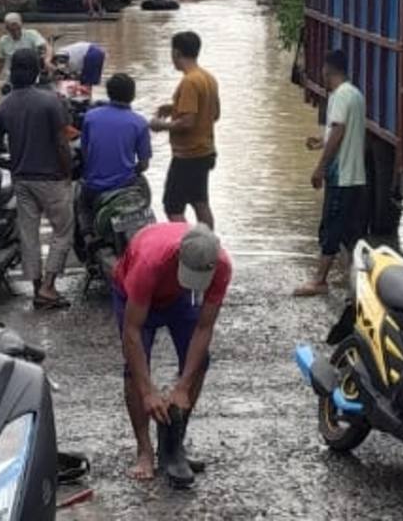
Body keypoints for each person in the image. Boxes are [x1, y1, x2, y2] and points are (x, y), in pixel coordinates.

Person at [115, 222, 231, 484]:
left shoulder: (222, 266)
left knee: (201, 362)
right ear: (179, 255)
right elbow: (131, 331)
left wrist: (183, 386)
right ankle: (144, 452)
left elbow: (204, 327)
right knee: (134, 369)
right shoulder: (150, 262)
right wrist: (148, 392)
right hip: (132, 293)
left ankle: (173, 445)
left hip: (178, 297)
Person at [0, 48, 74, 310]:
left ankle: (38, 288)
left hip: (21, 178)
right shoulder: (51, 101)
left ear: (12, 72)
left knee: (29, 235)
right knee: (63, 230)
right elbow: (62, 142)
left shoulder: (3, 105)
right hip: (50, 178)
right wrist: (67, 171)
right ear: (38, 72)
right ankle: (49, 287)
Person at [294, 49, 367, 297]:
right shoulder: (355, 94)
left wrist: (320, 167)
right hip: (356, 176)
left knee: (331, 228)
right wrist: (320, 141)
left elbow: (338, 131)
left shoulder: (339, 96)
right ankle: (356, 281)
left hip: (341, 176)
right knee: (349, 232)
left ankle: (319, 280)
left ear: (328, 69)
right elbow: (341, 133)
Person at [150, 31, 220, 229]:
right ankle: (209, 244)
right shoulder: (208, 78)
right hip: (205, 150)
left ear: (176, 52)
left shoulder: (189, 82)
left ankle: (187, 243)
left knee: (172, 205)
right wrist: (174, 108)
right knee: (200, 202)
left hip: (187, 154)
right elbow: (213, 114)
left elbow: (188, 122)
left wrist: (161, 125)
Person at [80, 73, 151, 233]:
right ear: (132, 95)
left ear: (109, 93)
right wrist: (132, 169)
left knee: (81, 207)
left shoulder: (91, 117)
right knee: (144, 197)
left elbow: (86, 154)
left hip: (94, 187)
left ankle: (87, 233)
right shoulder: (139, 123)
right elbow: (144, 164)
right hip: (126, 185)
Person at [0, 13, 52, 92]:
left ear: (21, 25)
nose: (16, 32)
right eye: (12, 30)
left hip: (33, 76)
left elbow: (47, 47)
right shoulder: (3, 41)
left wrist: (47, 60)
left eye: (18, 28)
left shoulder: (32, 34)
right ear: (7, 28)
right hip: (12, 78)